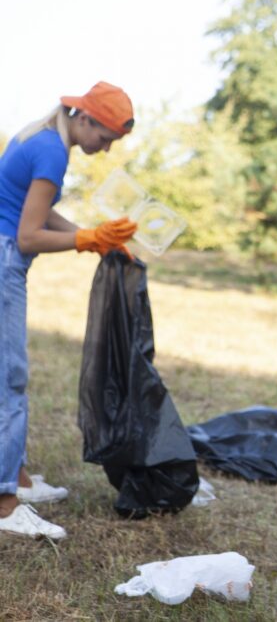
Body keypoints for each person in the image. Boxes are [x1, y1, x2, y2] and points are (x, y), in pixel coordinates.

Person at [0, 82, 137, 540]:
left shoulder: (41, 138)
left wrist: (95, 237)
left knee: (8, 373)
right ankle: (4, 503)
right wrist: (87, 239)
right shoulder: (52, 153)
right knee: (9, 378)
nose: (105, 148)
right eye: (106, 138)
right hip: (4, 261)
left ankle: (16, 478)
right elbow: (28, 235)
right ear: (86, 119)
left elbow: (34, 211)